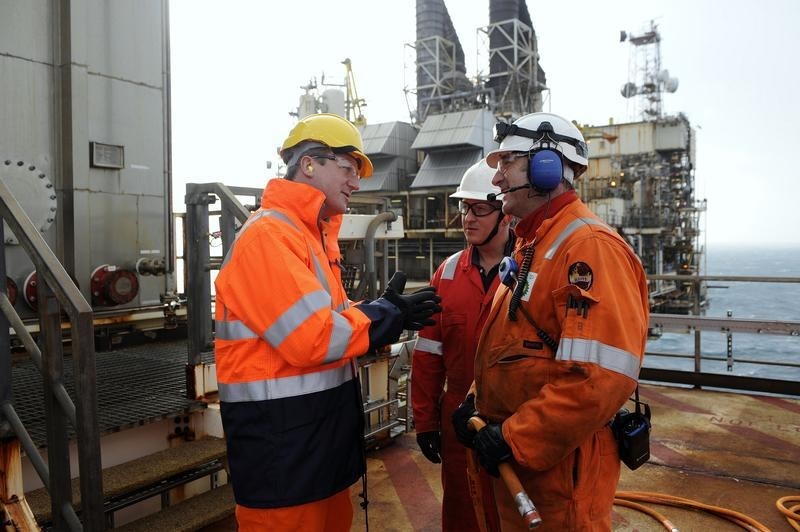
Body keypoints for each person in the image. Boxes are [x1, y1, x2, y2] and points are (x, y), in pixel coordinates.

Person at [214, 113, 441, 532]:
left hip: (316, 447)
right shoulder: (269, 238)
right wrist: (387, 316)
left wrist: (377, 307)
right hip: (282, 459)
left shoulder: (309, 237)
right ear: (309, 164)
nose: (357, 182)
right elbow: (312, 338)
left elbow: (330, 318)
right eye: (349, 168)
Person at [452, 112, 650, 531]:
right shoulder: (532, 245)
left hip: (559, 479)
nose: (499, 178)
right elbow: (516, 348)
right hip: (519, 472)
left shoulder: (589, 248)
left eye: (507, 163)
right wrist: (475, 403)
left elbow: (599, 378)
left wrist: (514, 438)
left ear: (547, 167)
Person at [411, 159, 513, 532]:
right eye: (464, 208)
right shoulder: (448, 273)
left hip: (516, 428)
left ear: (506, 213)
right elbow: (427, 355)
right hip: (458, 426)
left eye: (479, 209)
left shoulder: (532, 270)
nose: (467, 218)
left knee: (515, 515)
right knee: (462, 515)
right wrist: (424, 422)